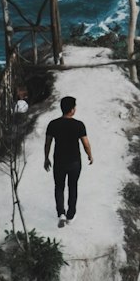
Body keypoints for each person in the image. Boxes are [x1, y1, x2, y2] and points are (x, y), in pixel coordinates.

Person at [44, 95, 93, 228]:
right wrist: (90, 155)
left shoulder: (53, 124)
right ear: (72, 109)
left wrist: (46, 158)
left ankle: (61, 213)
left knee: (59, 187)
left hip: (59, 161)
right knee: (73, 186)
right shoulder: (79, 125)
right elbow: (85, 143)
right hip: (74, 162)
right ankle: (71, 215)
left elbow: (47, 143)